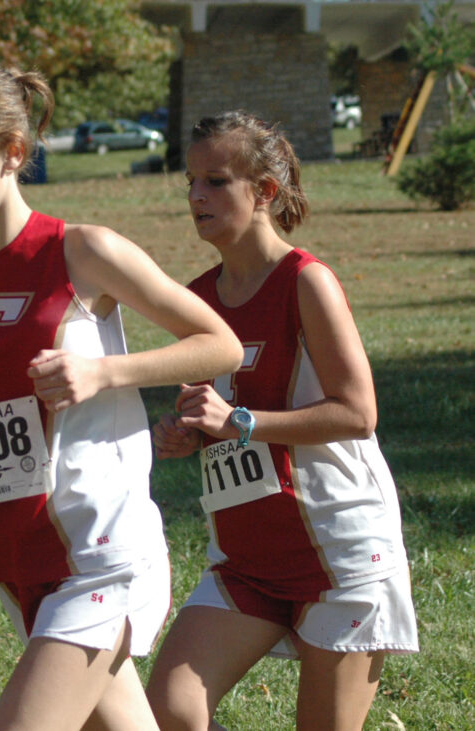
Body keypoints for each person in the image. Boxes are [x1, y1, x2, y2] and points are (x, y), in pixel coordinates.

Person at [0, 61, 243, 730]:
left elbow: (220, 345)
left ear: (13, 152)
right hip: (17, 550)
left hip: (101, 549)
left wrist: (104, 373)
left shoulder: (83, 251)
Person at [145, 111, 419, 730]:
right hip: (246, 556)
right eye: (190, 181)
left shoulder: (307, 282)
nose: (196, 196)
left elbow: (357, 413)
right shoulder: (197, 299)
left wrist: (239, 421)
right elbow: (215, 412)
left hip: (341, 554)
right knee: (169, 711)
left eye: (216, 181)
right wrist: (186, 432)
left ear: (265, 190)